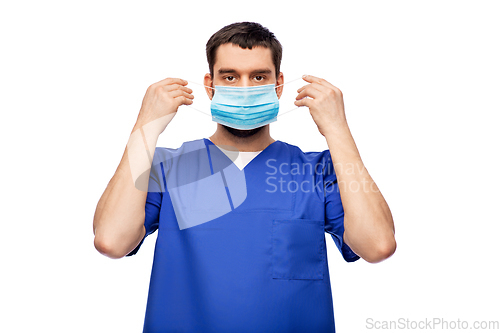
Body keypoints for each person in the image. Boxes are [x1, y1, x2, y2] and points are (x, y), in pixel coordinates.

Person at [93, 22, 396, 333]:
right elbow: (111, 241)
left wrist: (338, 131)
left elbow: (377, 245)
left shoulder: (318, 171)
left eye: (259, 77)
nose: (245, 89)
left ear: (278, 85)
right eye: (230, 77)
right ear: (210, 85)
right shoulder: (167, 167)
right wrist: (147, 124)